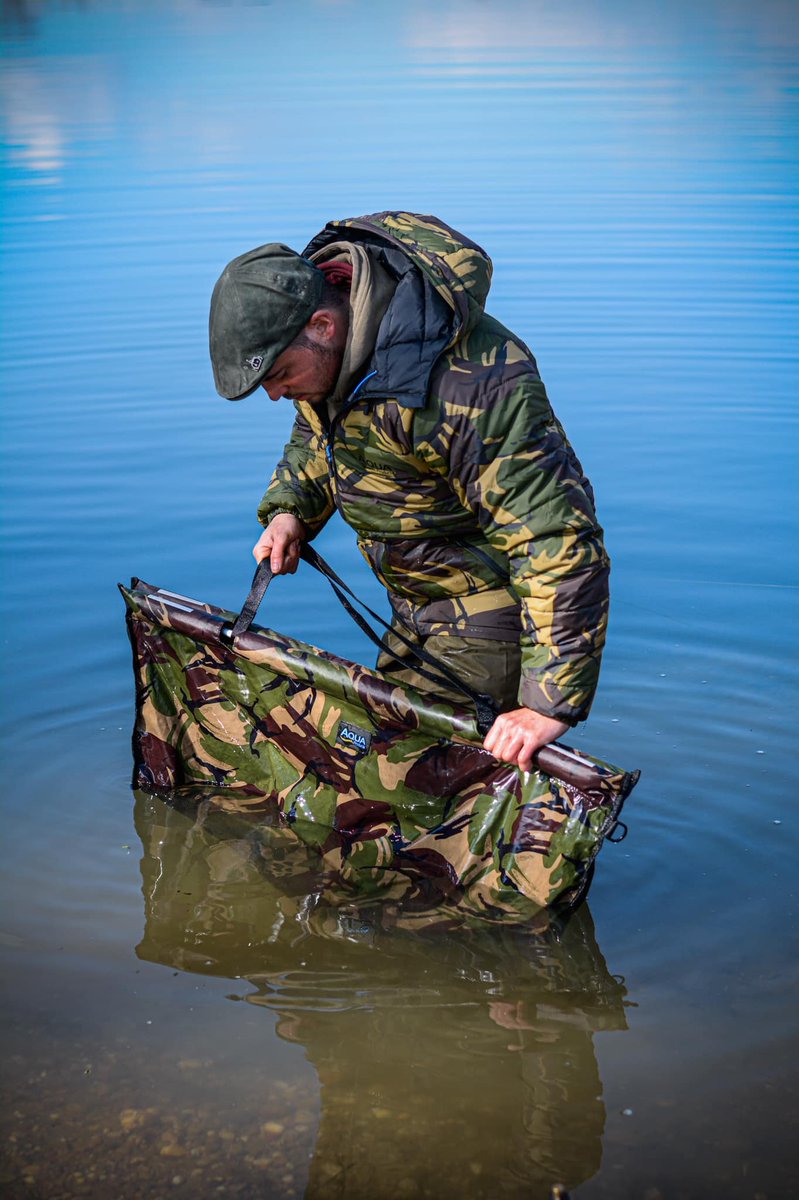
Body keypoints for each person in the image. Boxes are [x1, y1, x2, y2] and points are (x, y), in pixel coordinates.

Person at [209, 211, 609, 771]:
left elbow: (553, 537)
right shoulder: (332, 358)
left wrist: (549, 705)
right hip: (416, 607)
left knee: (416, 788)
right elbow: (318, 431)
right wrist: (290, 511)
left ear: (323, 325)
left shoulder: (473, 382)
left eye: (277, 375)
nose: (275, 396)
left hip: (489, 615)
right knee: (386, 772)